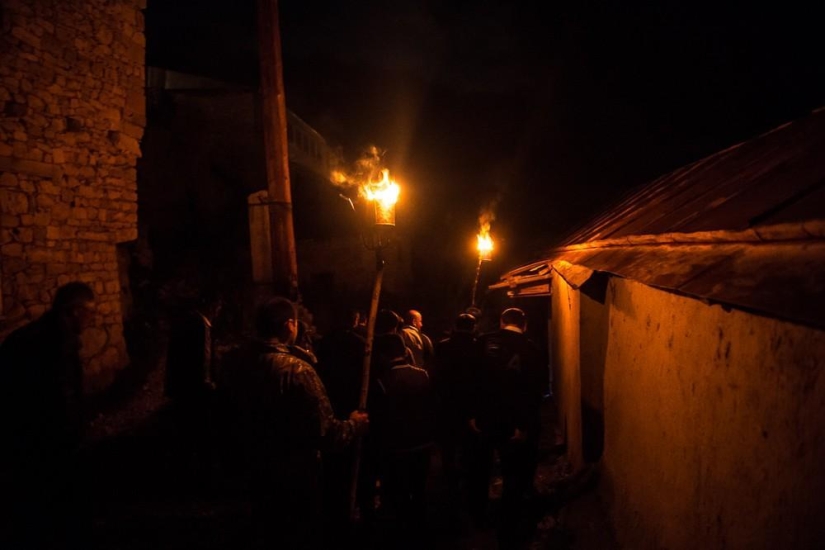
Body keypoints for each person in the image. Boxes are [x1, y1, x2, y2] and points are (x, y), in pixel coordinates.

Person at [220, 296, 369, 549]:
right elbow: (327, 433)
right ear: (290, 325)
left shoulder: (233, 364)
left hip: (248, 476)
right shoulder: (296, 370)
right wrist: (354, 424)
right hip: (293, 481)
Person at [0, 281, 96, 548]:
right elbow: (59, 398)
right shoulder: (56, 345)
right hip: (46, 443)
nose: (92, 319)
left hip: (24, 442)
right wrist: (74, 436)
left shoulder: (26, 337)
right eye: (89, 312)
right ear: (74, 312)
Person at [467, 307, 548, 548]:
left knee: (479, 470)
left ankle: (478, 517)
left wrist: (472, 414)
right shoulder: (532, 349)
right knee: (513, 475)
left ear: (502, 322)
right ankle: (507, 528)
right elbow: (536, 391)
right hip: (513, 423)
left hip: (484, 420)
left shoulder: (482, 342)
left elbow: (470, 380)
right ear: (524, 325)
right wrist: (523, 425)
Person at [371, 333, 435, 539]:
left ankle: (400, 534)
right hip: (422, 444)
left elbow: (379, 418)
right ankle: (420, 531)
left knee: (396, 494)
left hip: (395, 448)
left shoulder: (381, 381)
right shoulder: (422, 375)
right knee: (418, 490)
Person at [164, 289, 223, 493]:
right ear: (213, 306)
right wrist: (209, 383)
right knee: (199, 431)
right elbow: (204, 358)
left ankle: (185, 475)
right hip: (195, 389)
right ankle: (200, 480)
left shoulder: (185, 321)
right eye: (219, 306)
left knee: (186, 432)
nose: (219, 311)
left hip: (181, 387)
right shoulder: (201, 325)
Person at [432, 312, 479, 502]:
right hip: (471, 404)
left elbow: (436, 375)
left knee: (448, 445)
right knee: (469, 444)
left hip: (447, 403)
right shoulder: (478, 346)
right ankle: (468, 484)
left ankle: (449, 482)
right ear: (473, 327)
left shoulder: (443, 346)